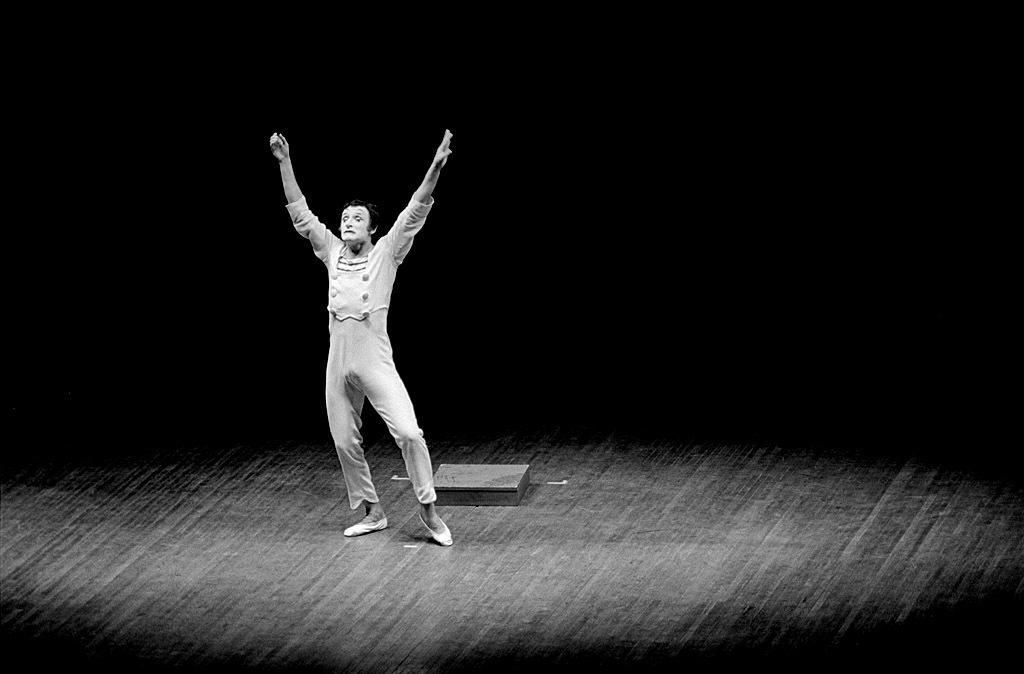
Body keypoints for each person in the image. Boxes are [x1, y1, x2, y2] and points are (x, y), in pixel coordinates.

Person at [270, 129, 454, 546]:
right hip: (338, 361)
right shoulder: (331, 252)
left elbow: (415, 209)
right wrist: (285, 162)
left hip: (374, 359)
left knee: (409, 433)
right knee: (344, 440)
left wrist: (435, 166)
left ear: (372, 228)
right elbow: (301, 214)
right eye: (344, 219)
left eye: (356, 219)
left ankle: (428, 510)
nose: (347, 223)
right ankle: (373, 512)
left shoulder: (387, 253)